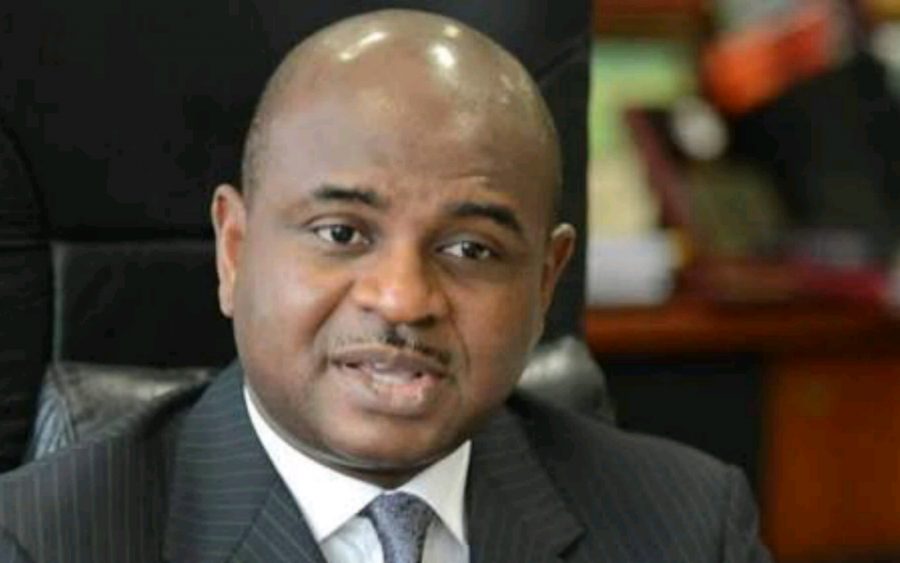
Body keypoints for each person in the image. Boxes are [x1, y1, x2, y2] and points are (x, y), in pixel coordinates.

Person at [0, 9, 771, 563]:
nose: (403, 298)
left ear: (546, 282)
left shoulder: (690, 526)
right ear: (233, 251)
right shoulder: (44, 539)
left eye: (470, 248)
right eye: (342, 233)